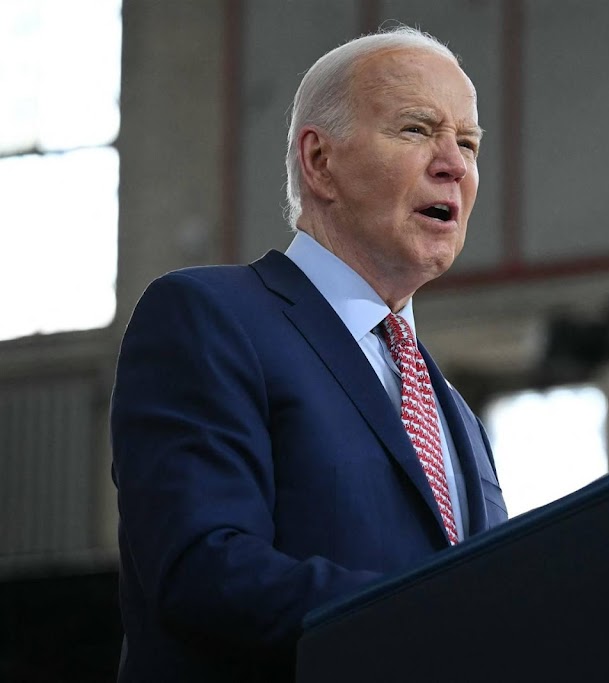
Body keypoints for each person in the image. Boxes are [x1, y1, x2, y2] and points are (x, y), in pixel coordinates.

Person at [110, 26, 508, 682]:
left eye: (467, 142)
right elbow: (203, 568)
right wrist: (435, 616)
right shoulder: (210, 317)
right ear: (320, 162)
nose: (455, 165)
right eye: (416, 130)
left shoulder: (457, 414)